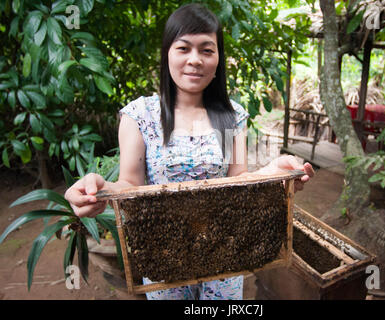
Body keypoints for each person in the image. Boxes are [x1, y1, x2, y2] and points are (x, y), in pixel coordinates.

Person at [64, 3, 314, 300]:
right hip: (165, 255)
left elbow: (238, 179)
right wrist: (102, 188)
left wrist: (275, 175)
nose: (195, 60)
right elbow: (130, 185)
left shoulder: (231, 117)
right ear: (167, 53)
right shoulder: (140, 115)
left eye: (207, 50)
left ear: (218, 58)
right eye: (183, 48)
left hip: (224, 252)